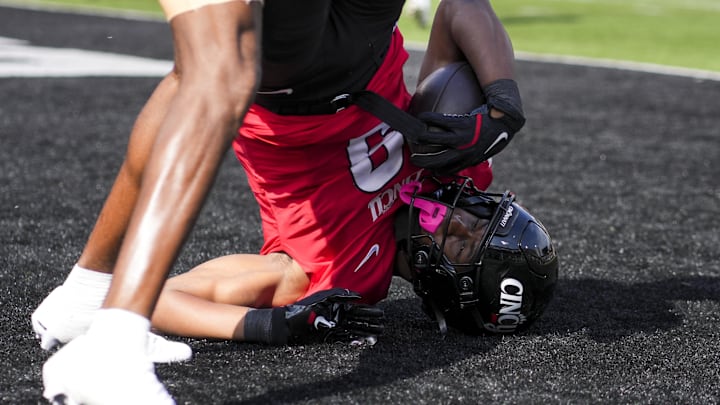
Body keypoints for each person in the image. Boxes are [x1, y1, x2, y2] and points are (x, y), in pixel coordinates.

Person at [35, 0, 526, 403]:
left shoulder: (344, 275)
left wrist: (273, 324)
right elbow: (460, 8)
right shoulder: (457, 169)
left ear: (440, 280)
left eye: (467, 245)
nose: (465, 221)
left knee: (207, 71)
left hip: (298, 93)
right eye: (485, 221)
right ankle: (92, 310)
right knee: (195, 72)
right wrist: (503, 108)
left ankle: (106, 335)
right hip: (374, 35)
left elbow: (164, 297)